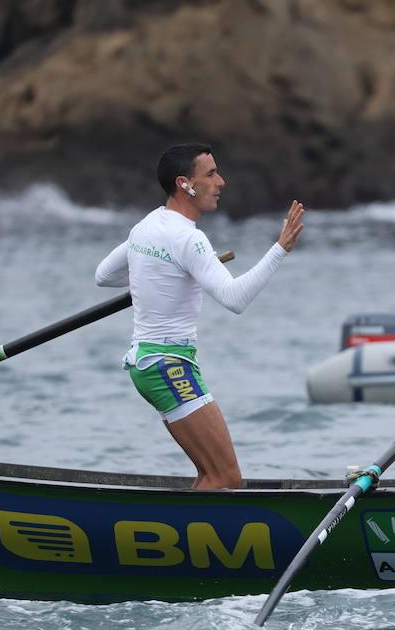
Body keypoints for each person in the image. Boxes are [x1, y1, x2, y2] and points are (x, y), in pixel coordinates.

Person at [94, 142, 304, 489]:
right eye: (210, 174)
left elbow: (104, 276)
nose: (220, 181)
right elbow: (234, 299)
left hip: (149, 363)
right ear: (184, 184)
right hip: (167, 365)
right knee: (226, 478)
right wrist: (280, 249)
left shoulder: (144, 227)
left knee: (212, 476)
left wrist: (157, 271)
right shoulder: (190, 240)